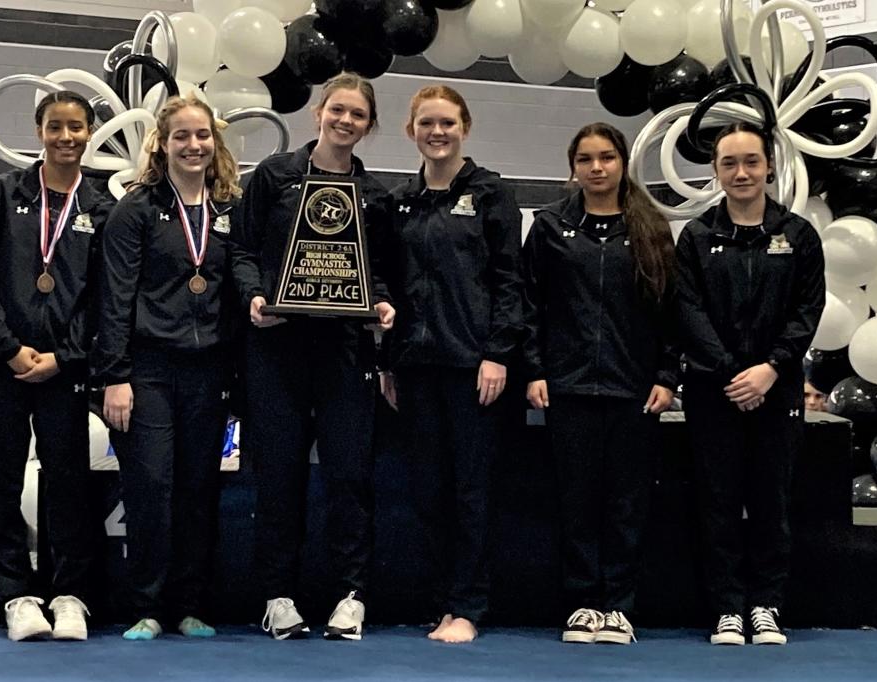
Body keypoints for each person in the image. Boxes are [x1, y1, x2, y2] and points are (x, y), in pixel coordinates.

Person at [233, 72, 395, 641]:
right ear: (318, 113)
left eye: (357, 115)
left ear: (369, 126)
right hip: (276, 350)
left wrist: (382, 303)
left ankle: (351, 596)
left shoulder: (375, 196)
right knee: (278, 477)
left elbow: (382, 272)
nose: (345, 121)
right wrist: (254, 296)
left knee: (350, 477)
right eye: (338, 110)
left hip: (345, 352)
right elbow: (242, 248)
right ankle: (278, 596)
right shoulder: (273, 176)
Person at [0, 90, 110, 641]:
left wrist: (63, 358)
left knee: (68, 481)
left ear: (90, 131)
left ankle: (69, 594)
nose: (66, 137)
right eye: (55, 127)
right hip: (1, 366)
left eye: (76, 127)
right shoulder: (2, 195)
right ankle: (16, 594)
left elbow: (102, 298)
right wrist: (9, 349)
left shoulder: (100, 208)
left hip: (64, 371)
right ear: (38, 131)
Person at [522, 123, 678, 645]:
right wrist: (535, 368)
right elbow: (529, 303)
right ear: (573, 166)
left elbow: (671, 311)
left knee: (626, 504)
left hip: (634, 389)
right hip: (566, 387)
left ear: (622, 162)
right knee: (576, 501)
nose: (596, 167)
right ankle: (583, 603)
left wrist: (667, 375)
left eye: (607, 157)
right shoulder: (549, 227)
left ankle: (619, 606)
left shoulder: (653, 227)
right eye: (586, 158)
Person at [94, 95, 242, 641]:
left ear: (214, 142)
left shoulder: (229, 210)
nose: (194, 145)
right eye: (182, 136)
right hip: (148, 370)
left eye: (202, 135)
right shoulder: (136, 209)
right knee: (151, 484)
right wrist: (114, 375)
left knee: (198, 487)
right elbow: (114, 297)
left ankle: (191, 604)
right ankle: (148, 606)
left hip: (209, 371)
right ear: (163, 143)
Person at [379, 85, 523, 644]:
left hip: (474, 367)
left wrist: (497, 353)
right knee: (428, 490)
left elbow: (510, 280)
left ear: (466, 126)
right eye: (426, 123)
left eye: (447, 123)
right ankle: (442, 602)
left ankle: (468, 605)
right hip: (415, 366)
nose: (437, 133)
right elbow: (388, 283)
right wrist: (388, 362)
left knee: (471, 491)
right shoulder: (400, 201)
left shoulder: (491, 194)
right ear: (410, 130)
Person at [675, 122, 825, 646]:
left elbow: (808, 310)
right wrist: (727, 371)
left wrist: (772, 368)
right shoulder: (696, 237)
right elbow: (687, 310)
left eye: (751, 162)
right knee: (717, 500)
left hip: (777, 388)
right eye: (729, 163)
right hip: (713, 390)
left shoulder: (799, 235)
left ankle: (766, 604)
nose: (741, 173)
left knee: (770, 500)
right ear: (715, 171)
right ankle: (726, 609)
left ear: (769, 167)